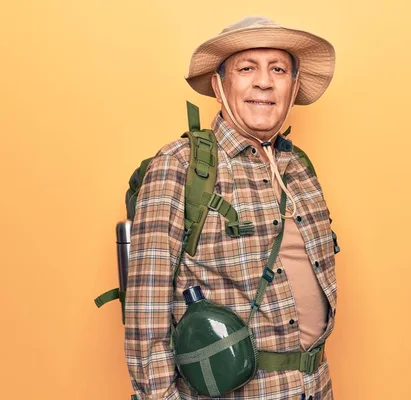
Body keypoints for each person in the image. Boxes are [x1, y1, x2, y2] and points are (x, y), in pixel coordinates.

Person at [125, 16, 338, 399]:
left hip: (314, 387)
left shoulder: (301, 169)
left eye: (278, 69)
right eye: (246, 68)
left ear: (294, 88)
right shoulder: (179, 166)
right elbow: (145, 320)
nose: (264, 81)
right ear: (219, 85)